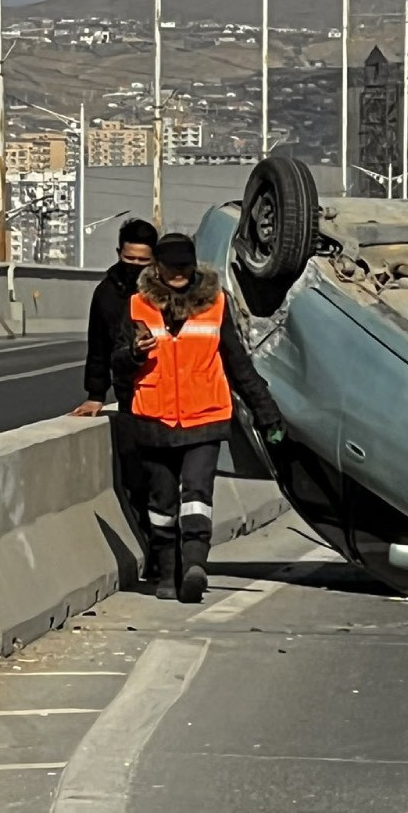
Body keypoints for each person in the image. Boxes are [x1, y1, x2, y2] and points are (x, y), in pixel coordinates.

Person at [112, 233, 285, 602]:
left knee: (196, 494)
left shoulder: (214, 305)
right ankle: (167, 572)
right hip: (154, 419)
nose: (178, 274)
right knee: (161, 502)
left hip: (204, 419)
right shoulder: (137, 306)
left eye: (184, 267)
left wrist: (267, 414)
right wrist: (134, 353)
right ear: (156, 267)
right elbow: (119, 365)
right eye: (171, 267)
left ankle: (194, 566)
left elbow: (239, 365)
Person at [71, 218, 159, 416]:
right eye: (130, 258)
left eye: (143, 260)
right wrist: (96, 395)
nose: (136, 265)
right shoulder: (107, 293)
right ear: (119, 253)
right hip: (127, 390)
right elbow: (98, 346)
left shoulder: (164, 291)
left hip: (163, 385)